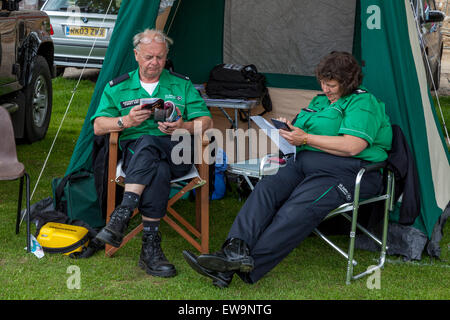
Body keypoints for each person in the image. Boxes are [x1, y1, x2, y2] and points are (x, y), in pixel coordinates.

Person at [183, 51, 392, 287]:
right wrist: (290, 131)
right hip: (303, 163)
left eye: (331, 84)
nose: (325, 89)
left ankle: (242, 266)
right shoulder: (320, 101)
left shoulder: (363, 102)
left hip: (346, 171)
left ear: (348, 82)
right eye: (323, 82)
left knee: (294, 210)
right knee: (265, 189)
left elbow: (353, 145)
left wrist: (306, 139)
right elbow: (304, 133)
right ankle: (233, 250)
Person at [91, 29, 212, 278]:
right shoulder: (118, 87)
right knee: (155, 163)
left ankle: (123, 212)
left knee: (151, 144)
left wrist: (182, 126)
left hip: (177, 151)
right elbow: (98, 125)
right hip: (139, 157)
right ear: (136, 55)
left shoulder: (182, 84)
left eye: (159, 57)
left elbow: (206, 121)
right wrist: (126, 121)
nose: (154, 62)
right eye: (148, 57)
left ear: (166, 56)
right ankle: (150, 248)